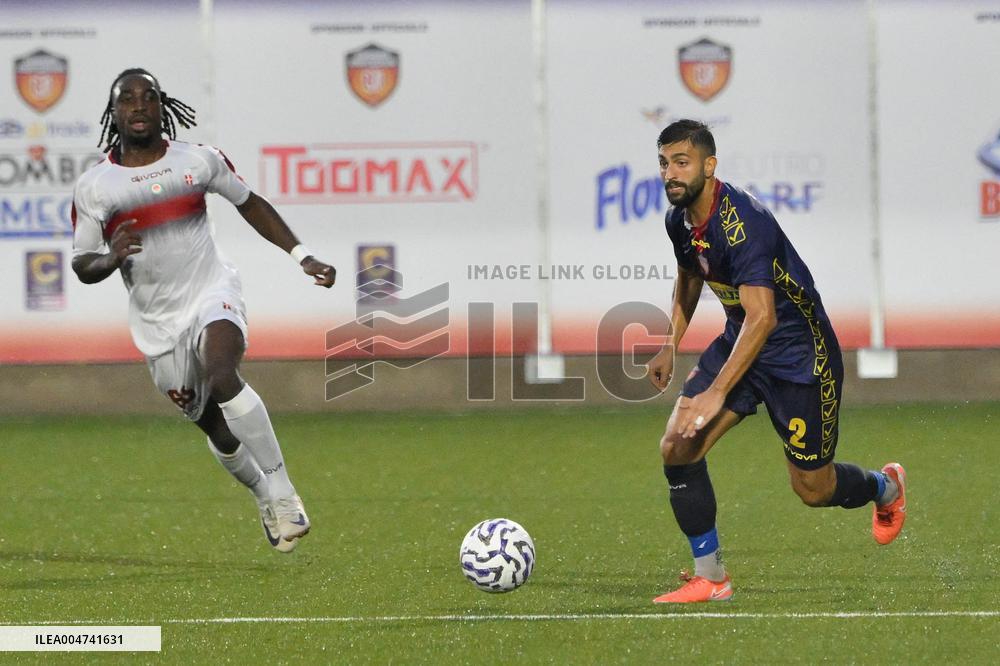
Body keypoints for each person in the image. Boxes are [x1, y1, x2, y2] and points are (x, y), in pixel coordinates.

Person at [71, 68, 336, 553]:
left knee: (222, 373)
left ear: (162, 106)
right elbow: (82, 263)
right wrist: (110, 258)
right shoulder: (96, 187)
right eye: (126, 98)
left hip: (212, 291)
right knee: (215, 426)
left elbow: (250, 202)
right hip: (158, 325)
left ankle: (283, 490)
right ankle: (262, 494)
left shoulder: (198, 160)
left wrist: (303, 256)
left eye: (148, 96)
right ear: (113, 111)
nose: (138, 105)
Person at [645, 119, 907, 603]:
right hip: (741, 339)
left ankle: (884, 487)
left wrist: (716, 392)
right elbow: (690, 274)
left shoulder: (743, 224)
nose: (670, 174)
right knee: (678, 446)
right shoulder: (678, 219)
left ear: (709, 165)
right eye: (664, 163)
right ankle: (712, 578)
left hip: (799, 355)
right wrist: (669, 342)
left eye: (681, 162)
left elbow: (764, 317)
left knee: (813, 488)